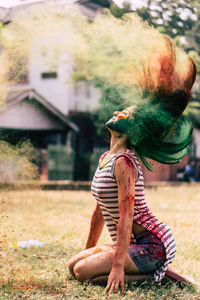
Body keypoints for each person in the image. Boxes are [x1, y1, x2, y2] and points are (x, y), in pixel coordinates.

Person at [68, 37, 196, 295]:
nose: (119, 113)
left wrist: (116, 268)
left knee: (83, 273)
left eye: (126, 114)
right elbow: (100, 211)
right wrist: (87, 250)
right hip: (135, 245)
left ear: (134, 130)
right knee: (74, 265)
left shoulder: (125, 162)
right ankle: (149, 270)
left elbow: (126, 217)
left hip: (153, 244)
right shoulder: (107, 159)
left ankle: (155, 275)